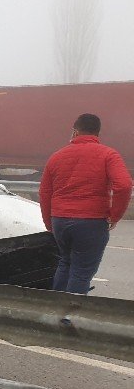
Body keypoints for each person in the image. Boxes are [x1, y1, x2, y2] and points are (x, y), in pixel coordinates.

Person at [39, 114, 131, 294]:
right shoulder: (108, 155)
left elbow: (45, 193)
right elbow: (124, 185)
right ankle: (70, 316)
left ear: (75, 131)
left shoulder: (56, 157)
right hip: (92, 222)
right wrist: (115, 215)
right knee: (81, 272)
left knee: (65, 263)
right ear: (97, 132)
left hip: (60, 220)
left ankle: (54, 311)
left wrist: (49, 223)